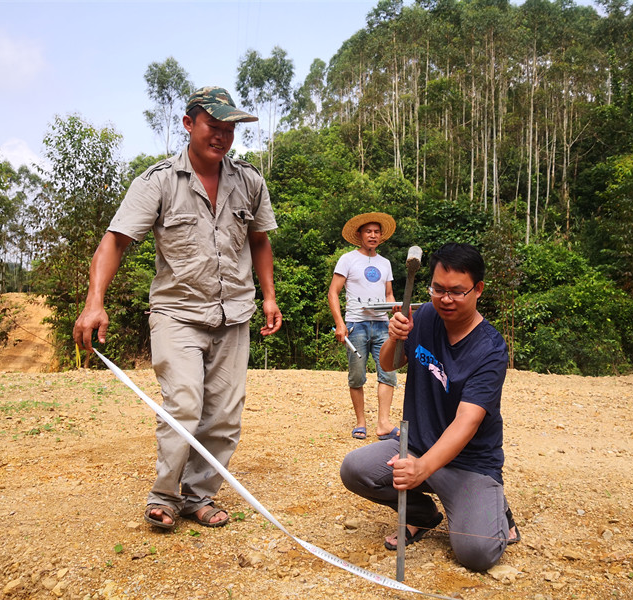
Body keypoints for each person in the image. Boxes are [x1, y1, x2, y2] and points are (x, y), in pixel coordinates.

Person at [73, 86, 282, 531]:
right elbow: (116, 240)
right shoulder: (158, 181)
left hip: (234, 314)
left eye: (229, 130)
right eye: (213, 126)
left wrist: (268, 295)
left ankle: (197, 496)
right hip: (177, 312)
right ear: (189, 124)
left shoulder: (249, 181)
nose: (222, 137)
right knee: (184, 403)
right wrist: (95, 303)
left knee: (224, 415)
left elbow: (260, 239)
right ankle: (164, 494)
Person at [339, 242, 519, 571]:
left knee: (477, 553)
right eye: (438, 289)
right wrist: (395, 337)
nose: (445, 299)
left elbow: (467, 422)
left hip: (469, 464)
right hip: (416, 446)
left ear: (478, 290)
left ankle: (495, 507)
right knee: (355, 470)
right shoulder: (424, 318)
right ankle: (422, 515)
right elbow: (390, 364)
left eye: (456, 291)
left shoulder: (490, 349)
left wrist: (423, 468)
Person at [328, 212, 399, 441]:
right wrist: (340, 324)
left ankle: (383, 423)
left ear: (381, 237)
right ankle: (360, 422)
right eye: (368, 231)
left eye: (377, 232)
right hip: (356, 324)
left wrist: (395, 311)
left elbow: (389, 294)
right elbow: (333, 292)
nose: (373, 235)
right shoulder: (347, 259)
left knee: (388, 373)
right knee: (356, 376)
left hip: (382, 325)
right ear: (359, 235)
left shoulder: (385, 263)